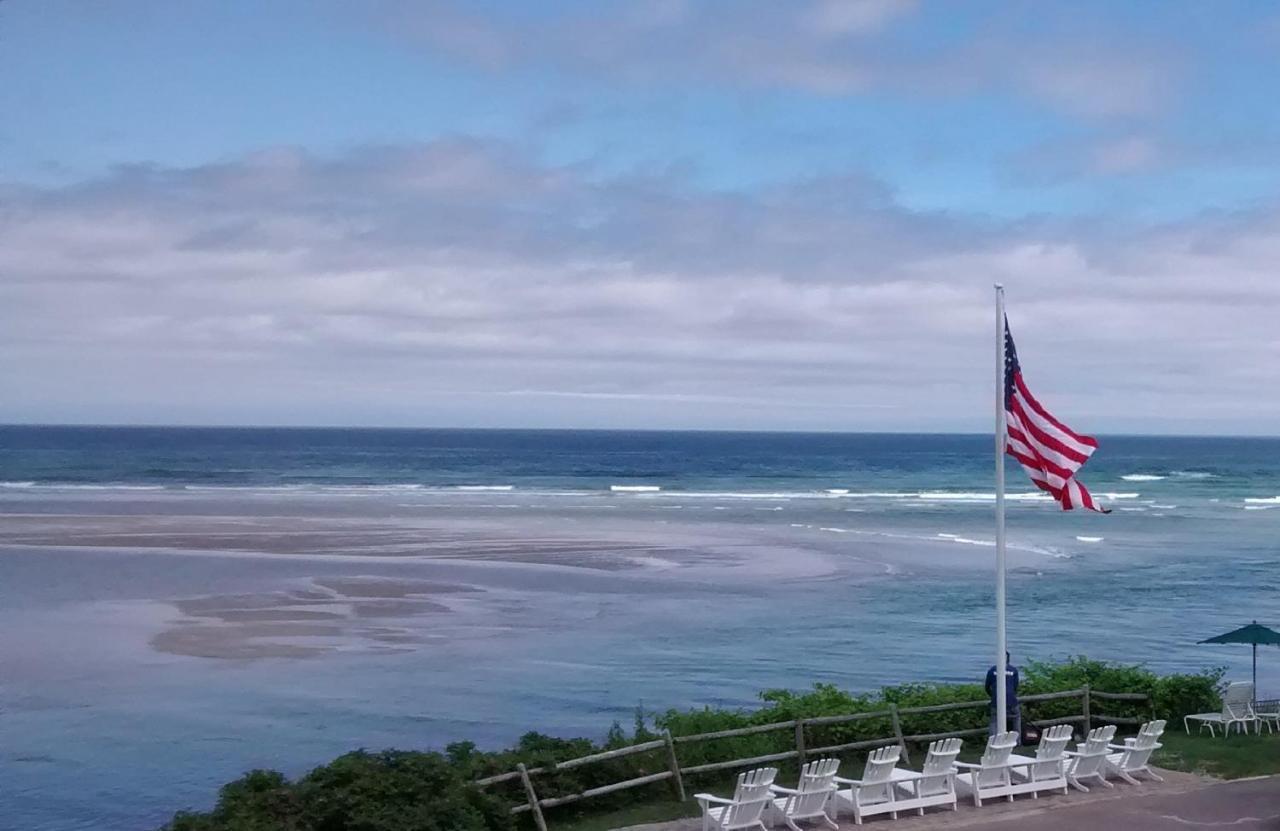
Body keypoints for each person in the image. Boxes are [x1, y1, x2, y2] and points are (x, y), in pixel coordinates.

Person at [986, 651, 1021, 739]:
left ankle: (992, 741)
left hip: (996, 701)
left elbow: (987, 686)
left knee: (994, 722)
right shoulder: (1013, 670)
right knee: (1016, 720)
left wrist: (993, 696)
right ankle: (1017, 741)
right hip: (1012, 701)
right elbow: (1015, 686)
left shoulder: (992, 670)